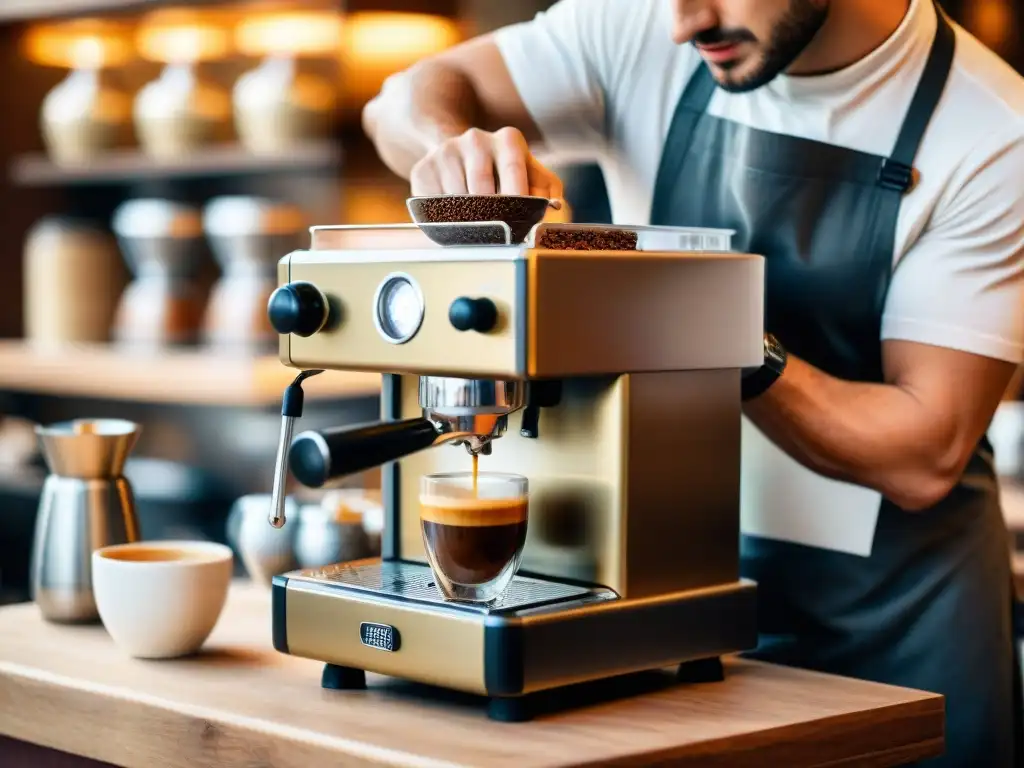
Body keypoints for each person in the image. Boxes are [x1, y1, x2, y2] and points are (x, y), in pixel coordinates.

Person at [362, 0, 1024, 764]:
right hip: (668, 596)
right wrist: (453, 151)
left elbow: (921, 452)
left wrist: (712, 328)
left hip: (896, 632)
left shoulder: (991, 130)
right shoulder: (637, 27)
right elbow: (402, 98)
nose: (683, 22)